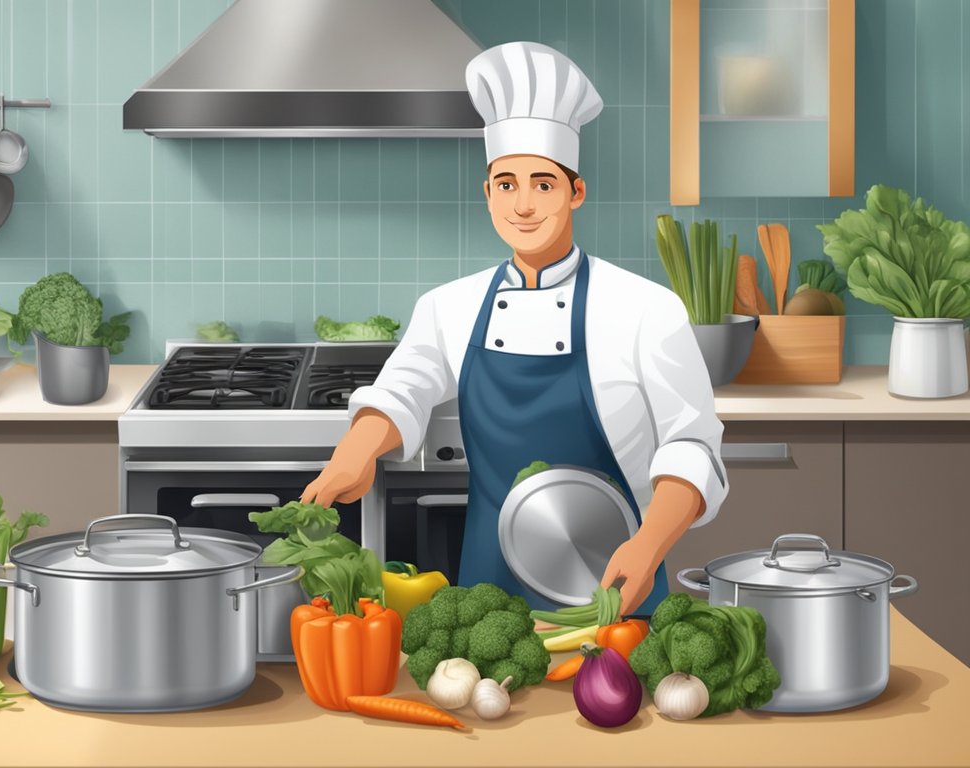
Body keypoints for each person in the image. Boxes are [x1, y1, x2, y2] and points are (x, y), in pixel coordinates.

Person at [300, 42, 727, 617]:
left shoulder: (646, 308)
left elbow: (691, 446)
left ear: (576, 191)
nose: (523, 205)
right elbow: (402, 389)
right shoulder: (450, 305)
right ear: (487, 192)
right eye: (506, 184)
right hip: (487, 590)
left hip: (621, 582)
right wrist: (357, 450)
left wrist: (650, 546)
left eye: (543, 184)